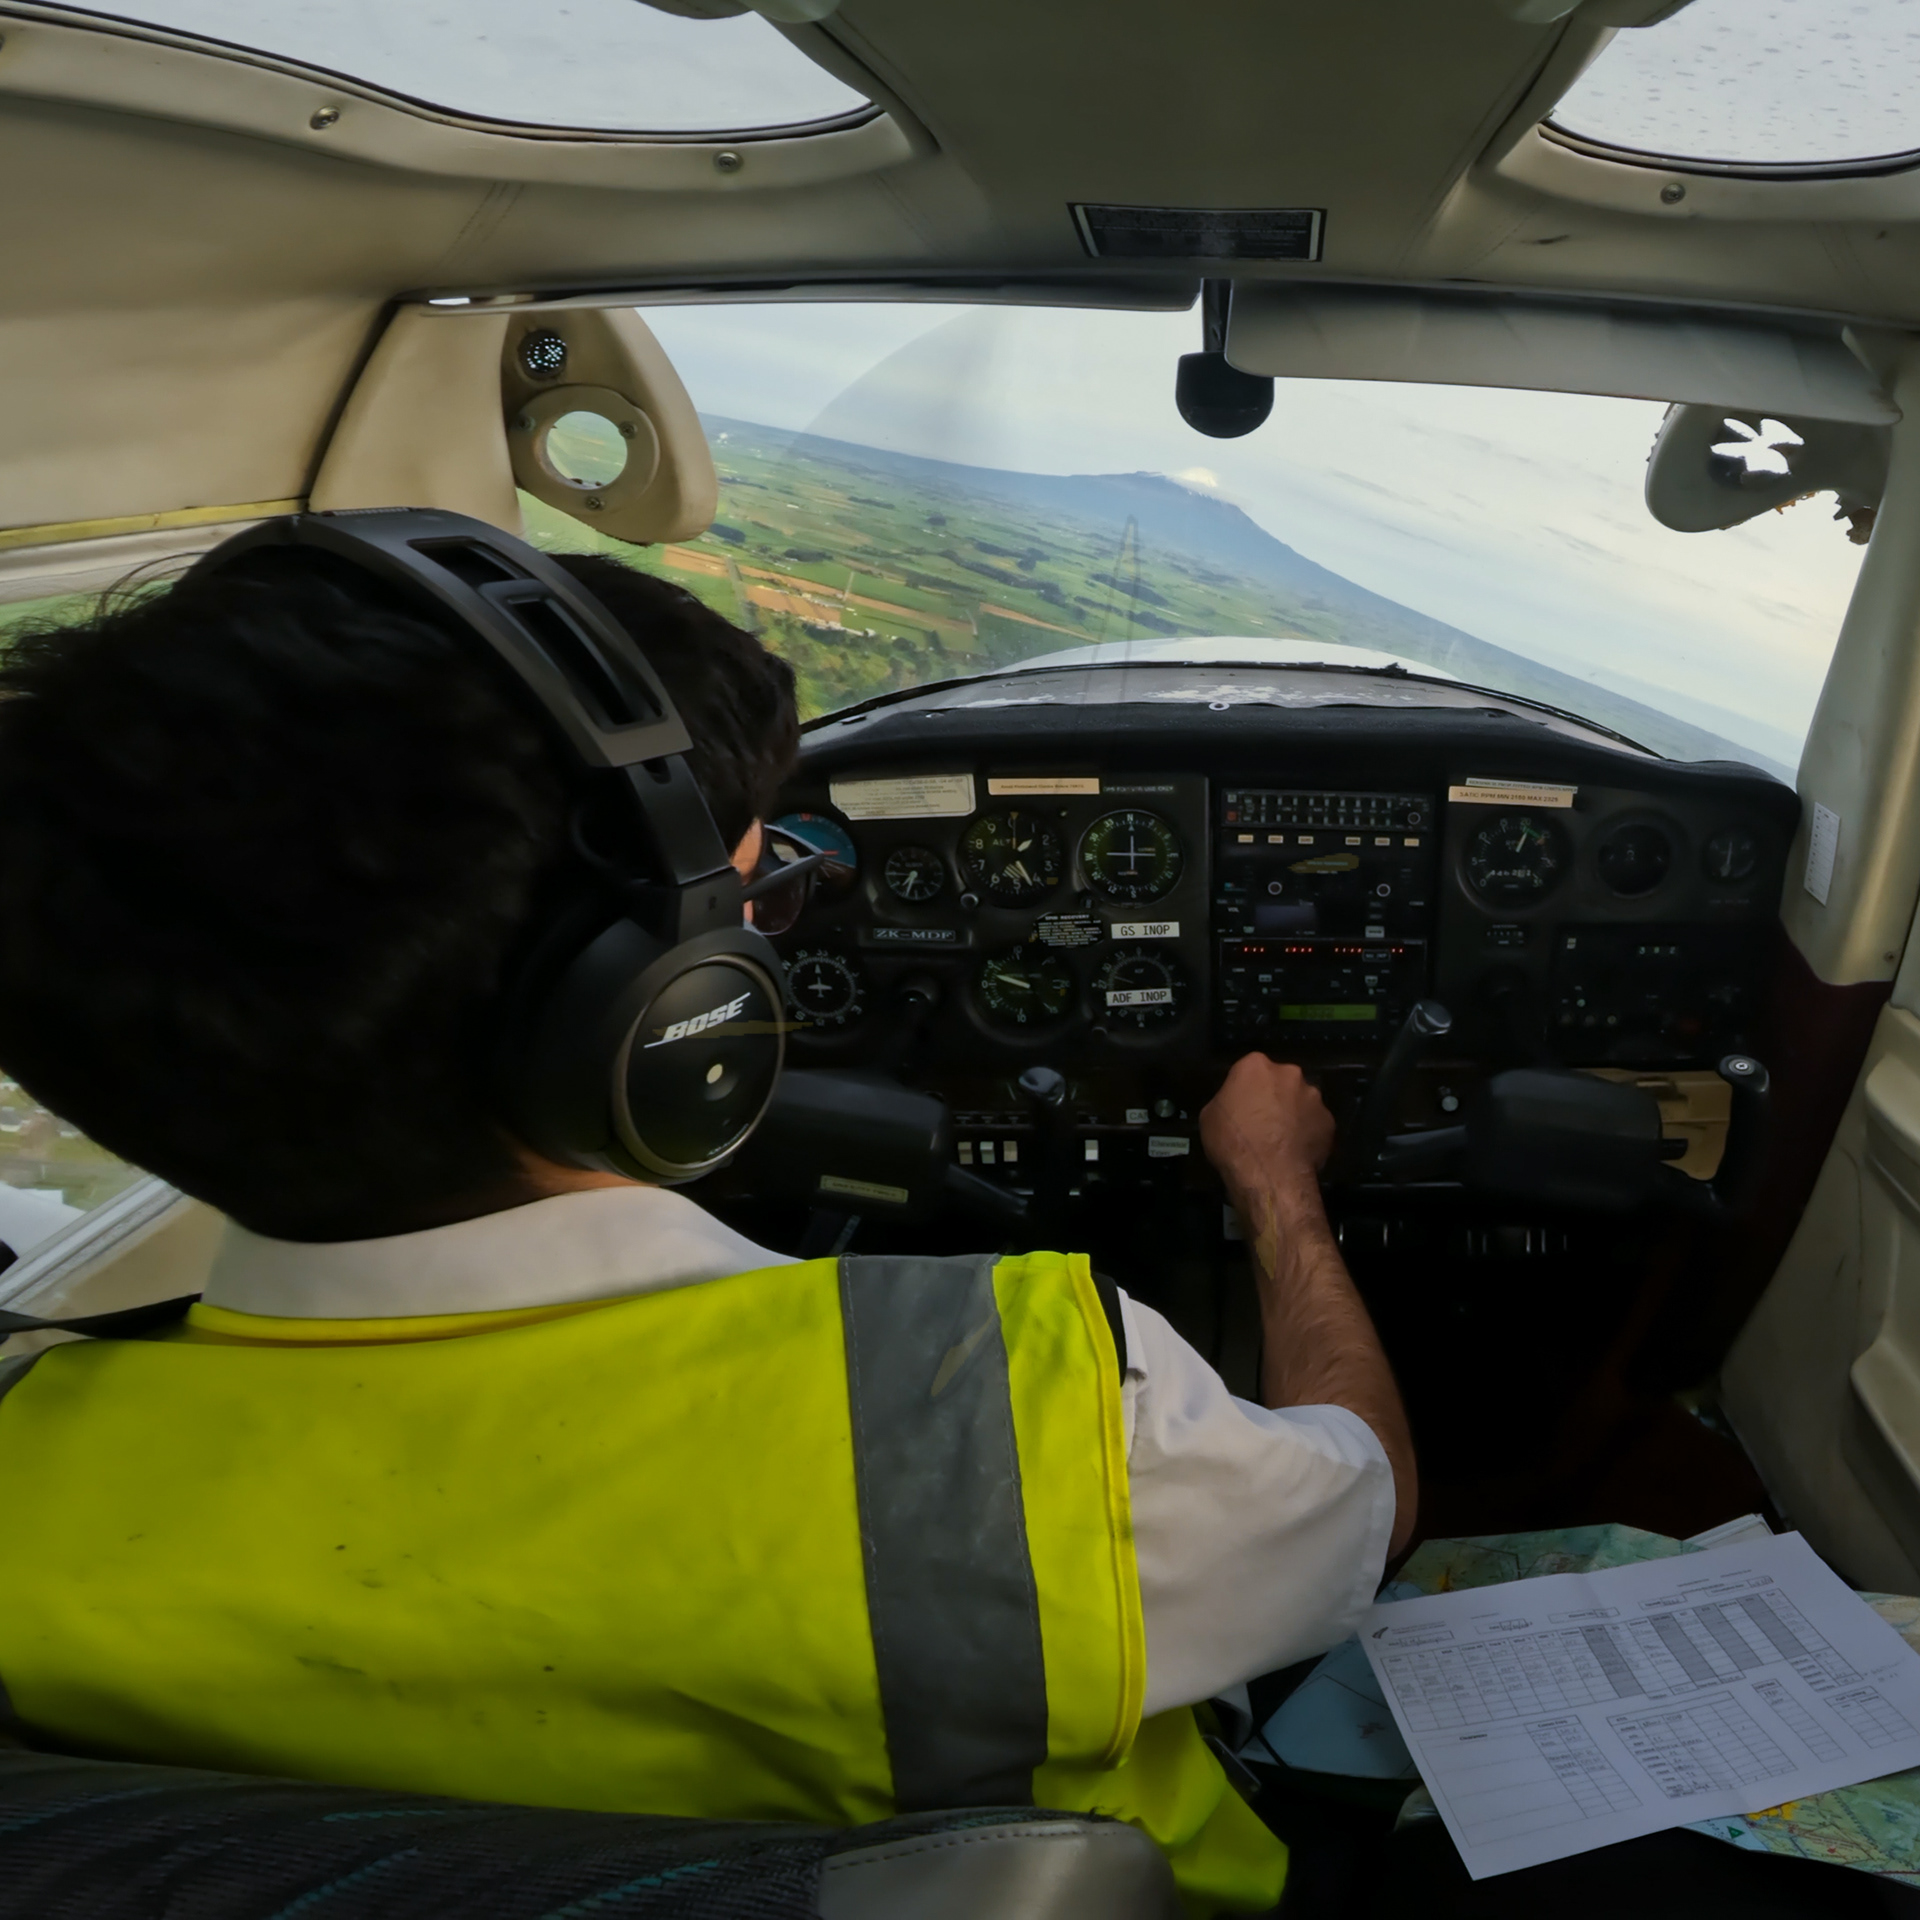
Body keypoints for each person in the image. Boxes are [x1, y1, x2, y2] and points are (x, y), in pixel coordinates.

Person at [0, 536, 1413, 1916]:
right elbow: (1368, 1506)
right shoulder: (1023, 1433)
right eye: (761, 896)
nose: (776, 926)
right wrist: (1275, 1186)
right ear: (663, 1029)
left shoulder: (21, 1448)